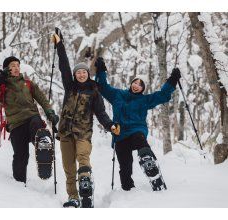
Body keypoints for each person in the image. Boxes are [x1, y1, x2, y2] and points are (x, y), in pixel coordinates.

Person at [52, 33, 120, 208]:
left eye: (84, 72)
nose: (81, 74)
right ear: (75, 75)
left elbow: (101, 112)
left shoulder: (94, 91)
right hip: (65, 133)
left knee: (83, 158)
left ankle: (86, 186)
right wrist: (60, 45)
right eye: (78, 72)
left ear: (88, 74)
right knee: (68, 169)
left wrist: (110, 125)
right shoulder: (70, 87)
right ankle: (73, 197)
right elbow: (64, 66)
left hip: (83, 134)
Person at [94, 57, 181, 191]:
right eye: (135, 82)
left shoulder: (145, 100)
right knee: (125, 166)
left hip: (136, 130)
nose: (136, 85)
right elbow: (103, 87)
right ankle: (128, 189)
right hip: (120, 134)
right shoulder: (117, 94)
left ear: (142, 89)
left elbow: (162, 95)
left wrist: (172, 80)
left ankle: (150, 164)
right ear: (131, 84)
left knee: (140, 140)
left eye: (140, 84)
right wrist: (100, 70)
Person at [0, 56, 59, 184]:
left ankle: (43, 145)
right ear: (7, 69)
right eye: (13, 66)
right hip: (16, 125)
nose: (16, 68)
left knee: (37, 123)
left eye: (18, 65)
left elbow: (43, 99)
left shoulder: (28, 84)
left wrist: (50, 113)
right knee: (21, 156)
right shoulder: (2, 87)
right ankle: (18, 185)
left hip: (32, 119)